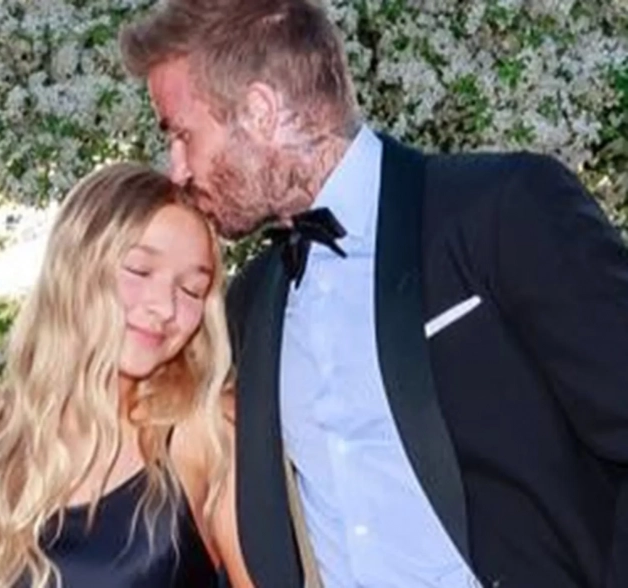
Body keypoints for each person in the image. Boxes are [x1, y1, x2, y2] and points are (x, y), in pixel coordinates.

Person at [119, 1, 628, 587]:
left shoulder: (503, 209)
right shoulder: (249, 305)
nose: (178, 169)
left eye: (184, 136)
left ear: (260, 112)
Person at [0, 162, 254, 587]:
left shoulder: (209, 438)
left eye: (192, 289)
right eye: (140, 270)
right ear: (74, 266)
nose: (165, 306)